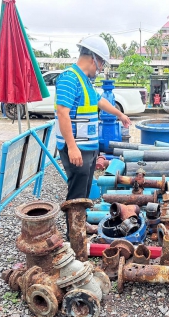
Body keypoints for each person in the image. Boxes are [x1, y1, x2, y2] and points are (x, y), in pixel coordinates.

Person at [55, 36, 131, 237]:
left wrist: (120, 114)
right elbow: (62, 112)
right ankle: (74, 233)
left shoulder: (85, 81)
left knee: (85, 190)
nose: (101, 68)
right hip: (76, 148)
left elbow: (99, 101)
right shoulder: (69, 78)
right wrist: (71, 147)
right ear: (93, 58)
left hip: (87, 147)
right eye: (102, 62)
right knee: (76, 193)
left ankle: (81, 223)